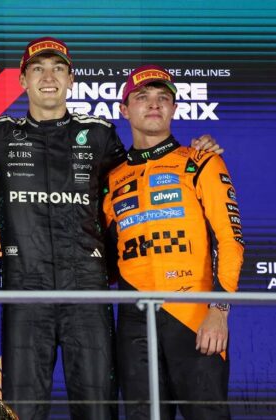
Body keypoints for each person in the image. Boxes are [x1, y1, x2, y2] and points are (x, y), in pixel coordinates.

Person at [0, 37, 222, 420]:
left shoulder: (98, 133)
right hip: (25, 291)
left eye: (58, 69)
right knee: (21, 410)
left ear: (71, 79)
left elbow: (138, 178)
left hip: (87, 293)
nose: (48, 77)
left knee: (97, 409)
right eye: (38, 69)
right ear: (23, 80)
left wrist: (193, 152)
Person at [102, 65, 243, 420]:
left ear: (174, 108)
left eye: (163, 97)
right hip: (134, 322)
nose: (154, 104)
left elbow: (230, 241)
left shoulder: (202, 161)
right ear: (124, 110)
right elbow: (103, 256)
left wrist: (219, 310)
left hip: (194, 316)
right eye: (142, 97)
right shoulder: (111, 178)